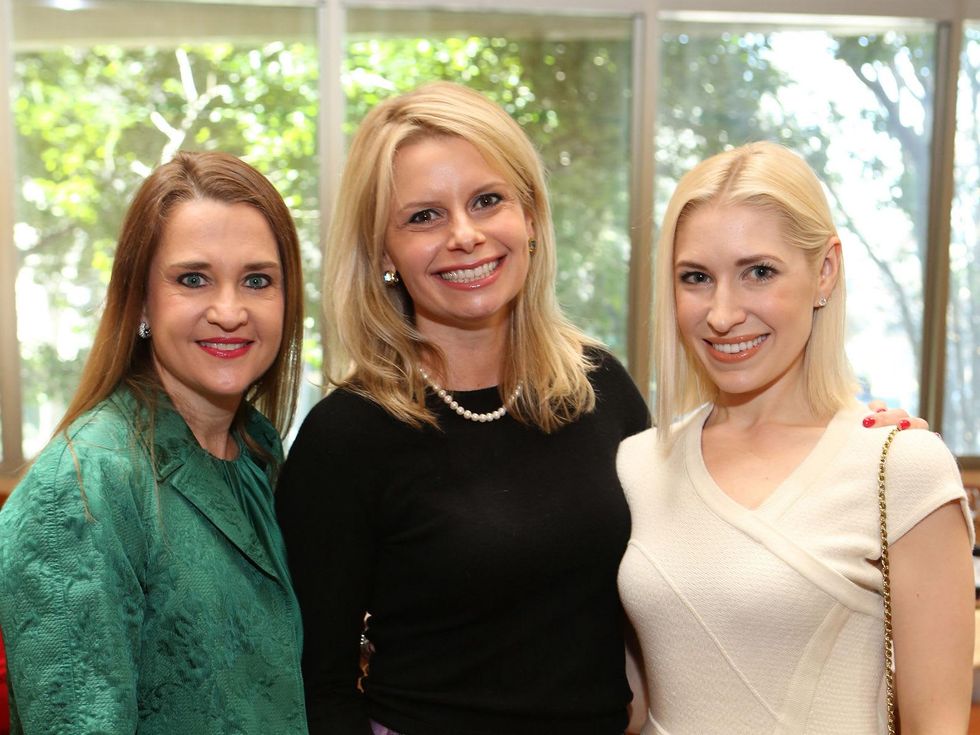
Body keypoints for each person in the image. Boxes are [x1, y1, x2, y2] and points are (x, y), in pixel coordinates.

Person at [274, 84, 922, 735]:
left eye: (488, 200)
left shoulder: (599, 389)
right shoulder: (346, 436)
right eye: (423, 217)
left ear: (530, 216)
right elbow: (317, 684)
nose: (465, 235)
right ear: (384, 252)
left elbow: (704, 550)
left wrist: (859, 448)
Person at [616, 141, 974, 733]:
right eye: (696, 278)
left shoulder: (900, 466)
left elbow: (936, 725)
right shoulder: (637, 466)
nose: (722, 313)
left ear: (824, 271)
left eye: (758, 272)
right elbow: (624, 702)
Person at [0, 151, 309, 733]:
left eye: (257, 280)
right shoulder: (82, 486)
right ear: (142, 301)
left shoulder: (257, 449)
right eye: (193, 279)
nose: (229, 311)